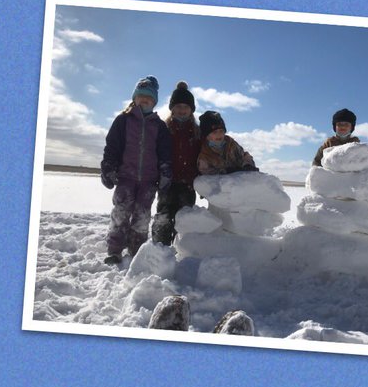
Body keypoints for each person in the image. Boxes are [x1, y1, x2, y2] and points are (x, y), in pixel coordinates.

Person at [100, 75, 173, 264]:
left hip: (149, 181)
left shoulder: (159, 126)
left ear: (155, 102)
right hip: (125, 178)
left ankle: (135, 251)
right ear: (134, 98)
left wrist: (165, 171)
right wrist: (108, 167)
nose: (145, 100)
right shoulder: (123, 121)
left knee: (142, 217)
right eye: (141, 96)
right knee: (121, 213)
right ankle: (115, 250)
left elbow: (165, 153)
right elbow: (112, 146)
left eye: (149, 98)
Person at [152, 82, 199, 247]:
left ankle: (183, 249)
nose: (182, 109)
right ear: (171, 108)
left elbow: (202, 155)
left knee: (185, 217)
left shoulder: (197, 131)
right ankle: (160, 248)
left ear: (191, 109)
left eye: (186, 106)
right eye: (178, 106)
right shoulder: (163, 128)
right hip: (167, 181)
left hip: (188, 184)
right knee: (163, 215)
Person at [196, 110, 258, 175]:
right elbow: (207, 175)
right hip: (224, 184)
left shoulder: (231, 144)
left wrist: (248, 165)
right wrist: (225, 172)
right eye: (214, 132)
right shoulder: (205, 156)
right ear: (207, 136)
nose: (219, 135)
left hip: (240, 181)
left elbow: (244, 155)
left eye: (221, 131)